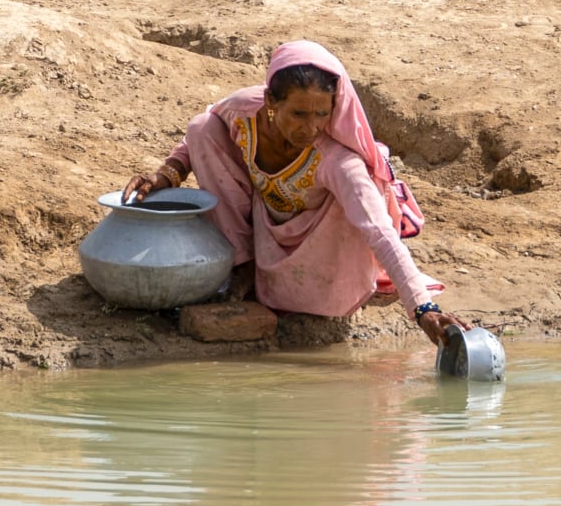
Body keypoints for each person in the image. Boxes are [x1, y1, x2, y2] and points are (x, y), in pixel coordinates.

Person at [122, 40, 467, 348]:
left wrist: (423, 309)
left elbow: (379, 231)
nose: (311, 127)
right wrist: (168, 173)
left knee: (315, 297)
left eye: (322, 114)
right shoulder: (243, 111)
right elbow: (196, 138)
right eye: (299, 114)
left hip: (323, 241)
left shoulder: (337, 160)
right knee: (202, 126)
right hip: (267, 225)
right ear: (271, 101)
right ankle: (242, 265)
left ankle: (294, 286)